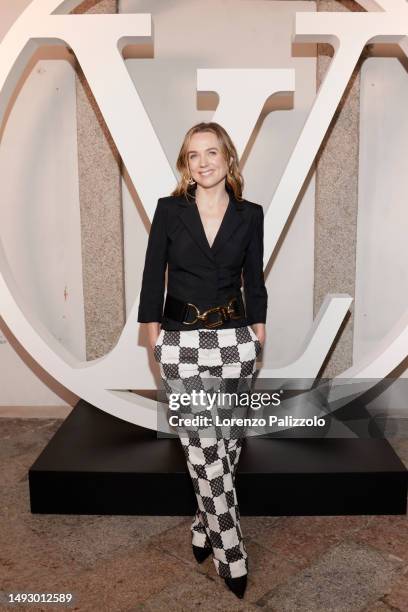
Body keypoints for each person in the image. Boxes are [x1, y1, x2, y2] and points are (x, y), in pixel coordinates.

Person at [137, 121, 267, 599]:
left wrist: (259, 330)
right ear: (185, 164)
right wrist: (153, 338)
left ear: (228, 159)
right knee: (202, 446)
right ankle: (230, 549)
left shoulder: (249, 214)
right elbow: (154, 275)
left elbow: (254, 277)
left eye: (212, 153)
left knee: (226, 443)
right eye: (194, 155)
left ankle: (202, 526)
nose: (204, 162)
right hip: (181, 341)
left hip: (235, 339)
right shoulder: (170, 211)